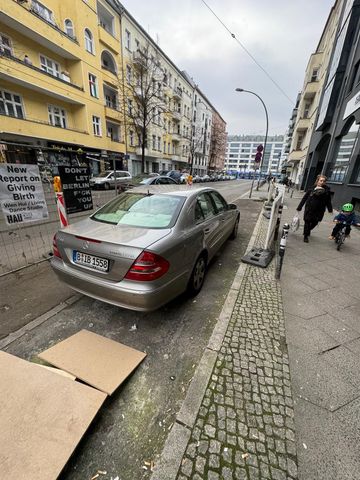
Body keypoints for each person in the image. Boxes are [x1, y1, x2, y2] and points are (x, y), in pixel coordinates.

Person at [296, 174, 333, 243]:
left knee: (315, 222)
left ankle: (308, 230)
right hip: (310, 208)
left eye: (324, 181)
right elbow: (304, 198)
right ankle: (306, 236)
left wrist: (330, 210)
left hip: (319, 210)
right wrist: (299, 207)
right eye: (321, 180)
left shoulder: (327, 191)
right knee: (307, 221)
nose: (322, 182)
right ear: (317, 181)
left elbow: (328, 201)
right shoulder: (311, 189)